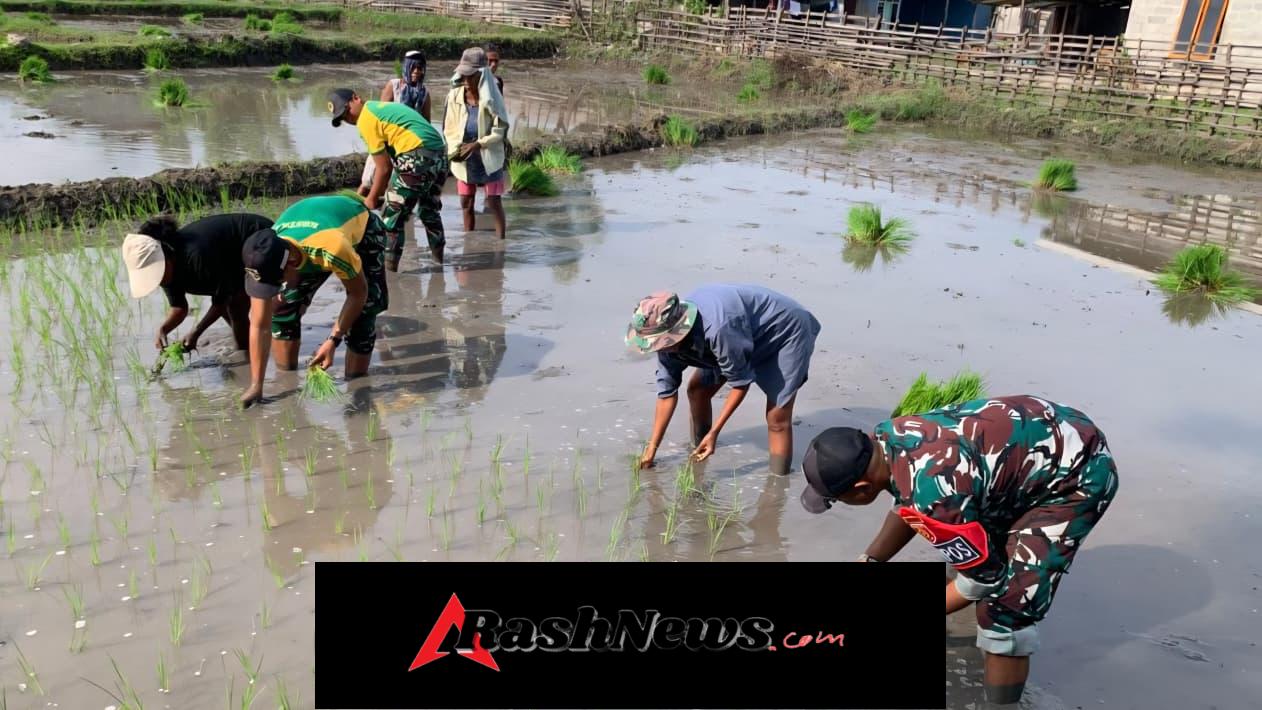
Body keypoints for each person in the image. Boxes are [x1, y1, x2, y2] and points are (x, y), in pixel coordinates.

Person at [798, 395, 1120, 706]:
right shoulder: (888, 436)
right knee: (973, 556)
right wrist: (871, 560)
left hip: (1076, 478)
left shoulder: (935, 494)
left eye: (836, 499)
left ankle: (1001, 706)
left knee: (1003, 611)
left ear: (861, 489)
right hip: (1047, 440)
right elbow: (906, 504)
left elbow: (981, 580)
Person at [625, 284, 821, 476]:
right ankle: (699, 450)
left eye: (660, 343)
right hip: (739, 334)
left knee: (777, 418)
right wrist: (652, 448)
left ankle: (778, 484)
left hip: (783, 332)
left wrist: (715, 432)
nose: (658, 349)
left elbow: (740, 383)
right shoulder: (667, 346)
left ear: (676, 332)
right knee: (697, 390)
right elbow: (666, 394)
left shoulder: (718, 329)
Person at [238, 194, 389, 408]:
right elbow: (259, 323)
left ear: (291, 263)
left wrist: (333, 340)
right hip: (306, 231)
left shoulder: (331, 248)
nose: (275, 287)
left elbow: (358, 294)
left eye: (277, 281)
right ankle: (286, 377)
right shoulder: (263, 255)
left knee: (364, 312)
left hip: (360, 229)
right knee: (281, 307)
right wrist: (256, 384)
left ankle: (357, 386)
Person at [329, 87, 448, 269]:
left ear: (356, 98)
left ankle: (389, 275)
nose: (348, 119)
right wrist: (371, 191)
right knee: (428, 209)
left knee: (390, 217)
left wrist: (370, 199)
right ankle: (439, 262)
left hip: (416, 154)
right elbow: (382, 165)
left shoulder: (366, 119)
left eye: (346, 112)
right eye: (343, 119)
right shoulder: (379, 109)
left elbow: (384, 168)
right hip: (439, 153)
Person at [122, 212, 273, 352]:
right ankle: (251, 348)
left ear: (166, 258)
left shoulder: (197, 257)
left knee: (235, 306)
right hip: (231, 257)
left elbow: (223, 299)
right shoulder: (167, 270)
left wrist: (196, 332)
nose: (159, 280)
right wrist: (163, 329)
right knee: (230, 311)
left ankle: (251, 353)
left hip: (260, 240)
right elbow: (179, 308)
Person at [443, 47, 509, 240]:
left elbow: (501, 128)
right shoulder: (454, 96)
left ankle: (500, 244)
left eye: (469, 76)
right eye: (462, 76)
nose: (465, 81)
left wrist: (479, 144)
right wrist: (457, 147)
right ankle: (468, 242)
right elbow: (449, 127)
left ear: (480, 75)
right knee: (466, 203)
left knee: (494, 202)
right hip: (464, 156)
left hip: (489, 155)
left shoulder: (492, 97)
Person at [358, 50, 431, 200]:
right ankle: (351, 210)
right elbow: (379, 115)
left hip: (407, 148)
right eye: (413, 67)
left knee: (396, 191)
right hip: (386, 143)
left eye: (420, 68)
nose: (416, 72)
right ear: (406, 67)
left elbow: (426, 124)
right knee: (368, 181)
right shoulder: (394, 86)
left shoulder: (424, 93)